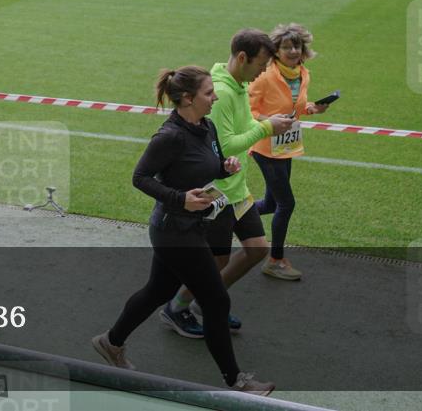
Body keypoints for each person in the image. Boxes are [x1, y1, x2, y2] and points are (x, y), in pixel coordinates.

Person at [91, 66, 274, 395]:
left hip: (189, 227)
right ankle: (237, 381)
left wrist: (224, 166)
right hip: (173, 232)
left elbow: (208, 163)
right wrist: (179, 198)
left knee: (158, 291)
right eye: (208, 93)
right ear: (187, 99)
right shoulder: (170, 136)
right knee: (216, 300)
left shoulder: (206, 125)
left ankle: (110, 341)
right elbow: (140, 178)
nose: (215, 97)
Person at [161, 29, 293, 338]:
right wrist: (265, 128)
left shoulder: (238, 85)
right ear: (244, 57)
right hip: (218, 193)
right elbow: (224, 146)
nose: (264, 70)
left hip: (237, 190)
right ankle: (177, 308)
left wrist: (269, 123)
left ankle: (209, 302)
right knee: (215, 261)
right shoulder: (220, 94)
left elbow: (245, 126)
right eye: (262, 63)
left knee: (256, 250)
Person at [248, 23, 328, 281]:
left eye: (297, 46)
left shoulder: (303, 74)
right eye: (287, 47)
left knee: (272, 203)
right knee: (286, 203)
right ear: (276, 51)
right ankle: (275, 260)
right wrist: (269, 121)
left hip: (286, 147)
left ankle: (225, 218)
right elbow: (248, 112)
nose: (293, 51)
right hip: (265, 147)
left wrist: (313, 108)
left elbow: (297, 107)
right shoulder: (264, 76)